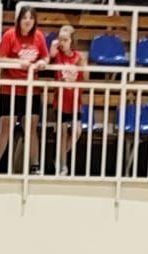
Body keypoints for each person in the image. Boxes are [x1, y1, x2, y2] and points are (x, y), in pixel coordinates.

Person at [0, 6, 50, 175]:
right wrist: (17, 63)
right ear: (19, 20)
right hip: (9, 88)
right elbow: (0, 58)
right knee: (6, 126)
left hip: (31, 90)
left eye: (31, 18)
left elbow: (45, 56)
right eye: (25, 17)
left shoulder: (39, 36)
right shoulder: (9, 35)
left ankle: (35, 165)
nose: (28, 21)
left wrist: (43, 62)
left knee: (31, 128)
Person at [47, 24, 86, 177]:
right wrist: (53, 47)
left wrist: (83, 65)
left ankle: (58, 156)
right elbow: (49, 60)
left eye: (65, 40)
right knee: (62, 135)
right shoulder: (57, 56)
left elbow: (86, 76)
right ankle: (63, 166)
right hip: (61, 102)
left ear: (72, 41)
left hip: (75, 101)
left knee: (76, 132)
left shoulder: (79, 57)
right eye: (60, 39)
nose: (62, 43)